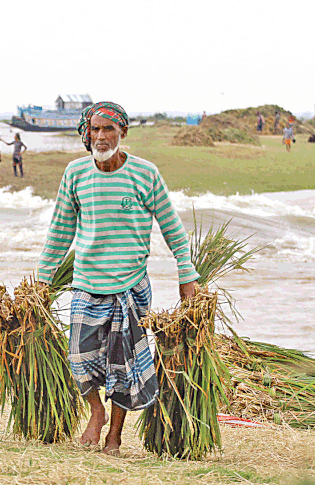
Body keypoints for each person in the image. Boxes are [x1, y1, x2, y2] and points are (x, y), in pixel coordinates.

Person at [37, 101, 199, 456]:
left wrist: (186, 273)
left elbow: (171, 226)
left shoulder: (145, 174)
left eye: (108, 129)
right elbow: (61, 230)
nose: (101, 136)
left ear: (123, 132)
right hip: (87, 282)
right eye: (95, 129)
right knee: (79, 356)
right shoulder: (76, 173)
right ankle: (96, 411)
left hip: (131, 285)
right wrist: (42, 279)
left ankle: (114, 433)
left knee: (123, 364)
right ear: (87, 133)